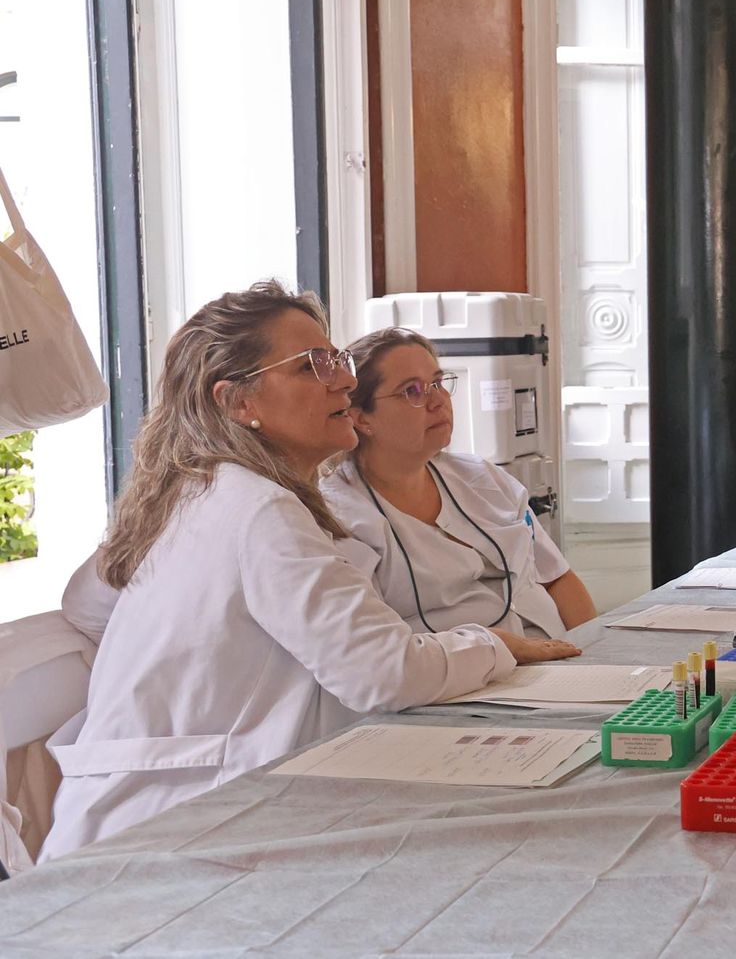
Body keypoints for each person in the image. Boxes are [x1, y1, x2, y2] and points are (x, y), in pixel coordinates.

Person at [42, 283, 538, 860]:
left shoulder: (197, 491)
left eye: (337, 359)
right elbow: (386, 675)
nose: (346, 380)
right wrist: (495, 645)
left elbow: (87, 603)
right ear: (237, 402)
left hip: (154, 819)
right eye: (313, 366)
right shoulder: (257, 508)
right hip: (168, 837)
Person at [321, 328, 596, 643]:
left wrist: (598, 656)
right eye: (412, 391)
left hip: (561, 660)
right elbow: (373, 647)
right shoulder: (341, 516)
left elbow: (559, 579)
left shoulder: (482, 477)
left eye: (438, 383)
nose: (438, 401)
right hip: (467, 680)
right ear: (361, 419)